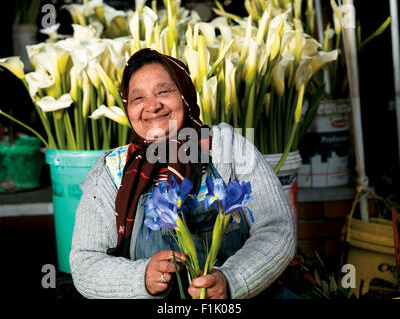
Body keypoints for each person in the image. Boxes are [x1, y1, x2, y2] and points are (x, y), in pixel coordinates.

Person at [69, 48, 296, 299]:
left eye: (164, 91)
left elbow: (277, 228)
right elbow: (85, 263)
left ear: (185, 94)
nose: (152, 106)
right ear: (127, 107)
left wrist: (232, 280)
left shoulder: (228, 148)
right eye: (137, 98)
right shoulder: (111, 170)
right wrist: (142, 277)